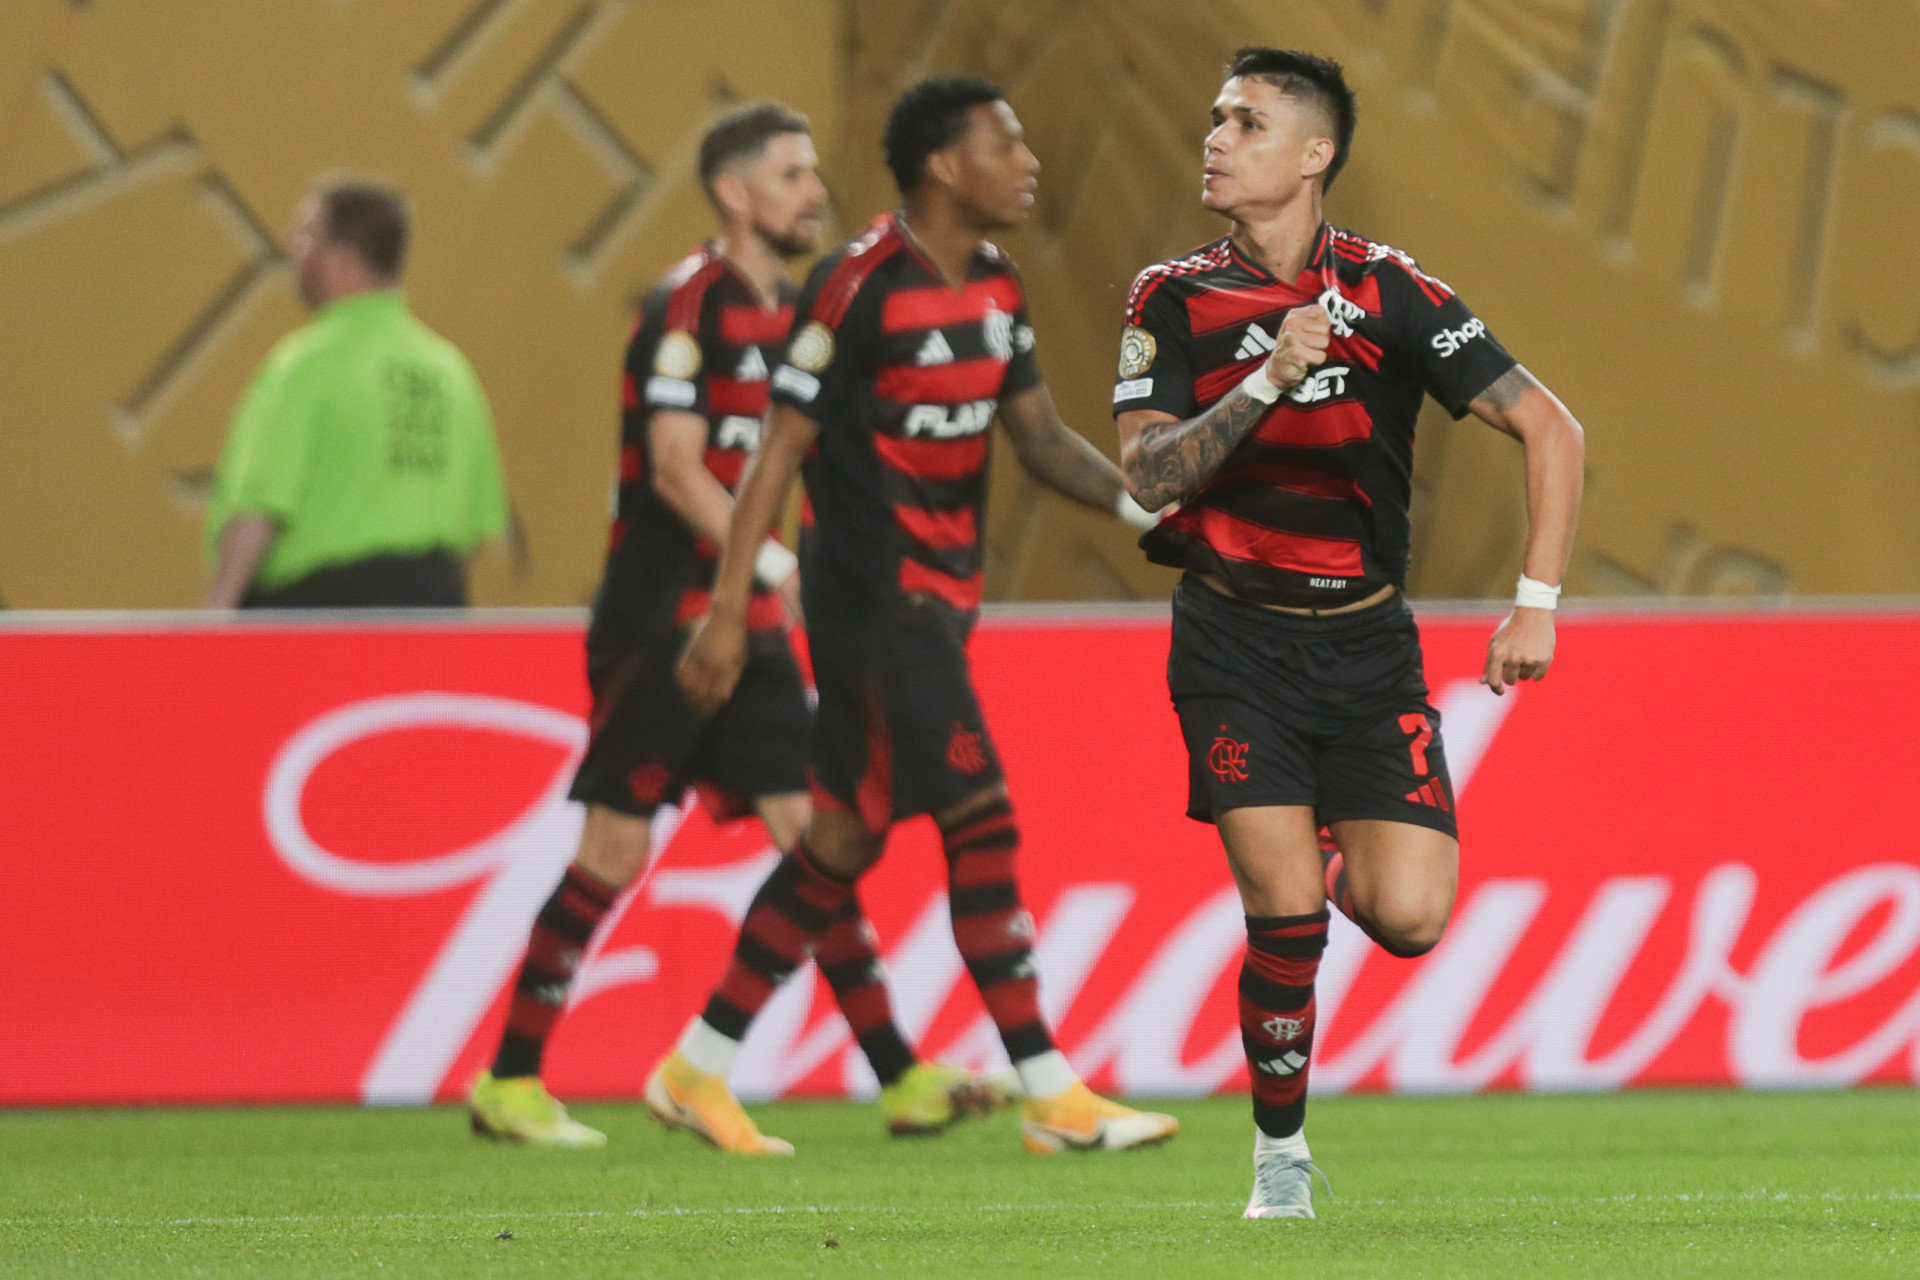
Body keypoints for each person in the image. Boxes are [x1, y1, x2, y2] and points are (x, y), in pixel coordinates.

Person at [1113, 48, 1585, 1218]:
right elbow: (1146, 473)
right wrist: (1267, 379)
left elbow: (1550, 427)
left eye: (1250, 122)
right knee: (1283, 916)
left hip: (1371, 651)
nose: (1217, 137)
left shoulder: (1391, 291)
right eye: (1217, 116)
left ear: (1315, 155)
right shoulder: (1170, 296)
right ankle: (1280, 1161)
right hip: (1235, 644)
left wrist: (1538, 601)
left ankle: (1317, 846)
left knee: (1413, 917)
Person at [667, 76, 1176, 1158]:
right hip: (871, 608)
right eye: (1008, 140)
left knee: (839, 841)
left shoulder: (995, 283)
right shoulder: (857, 287)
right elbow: (777, 455)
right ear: (946, 165)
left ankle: (696, 1065)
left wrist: (1148, 509)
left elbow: (1036, 440)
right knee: (980, 814)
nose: (1030, 160)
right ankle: (1052, 1088)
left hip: (942, 607)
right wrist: (727, 609)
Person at [467, 104, 986, 1151]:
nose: (813, 194)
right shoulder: (685, 304)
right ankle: (511, 1079)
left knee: (818, 841)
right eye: (793, 175)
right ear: (736, 193)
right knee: (613, 851)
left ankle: (901, 1075)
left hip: (744, 627)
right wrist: (780, 560)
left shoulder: (800, 315)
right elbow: (672, 465)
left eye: (811, 173)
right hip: (665, 624)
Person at [204, 178, 508, 608]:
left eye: (306, 237)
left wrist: (215, 622)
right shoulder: (450, 371)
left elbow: (258, 509)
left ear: (342, 260)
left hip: (319, 621)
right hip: (433, 615)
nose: (292, 250)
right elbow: (477, 526)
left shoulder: (304, 366)